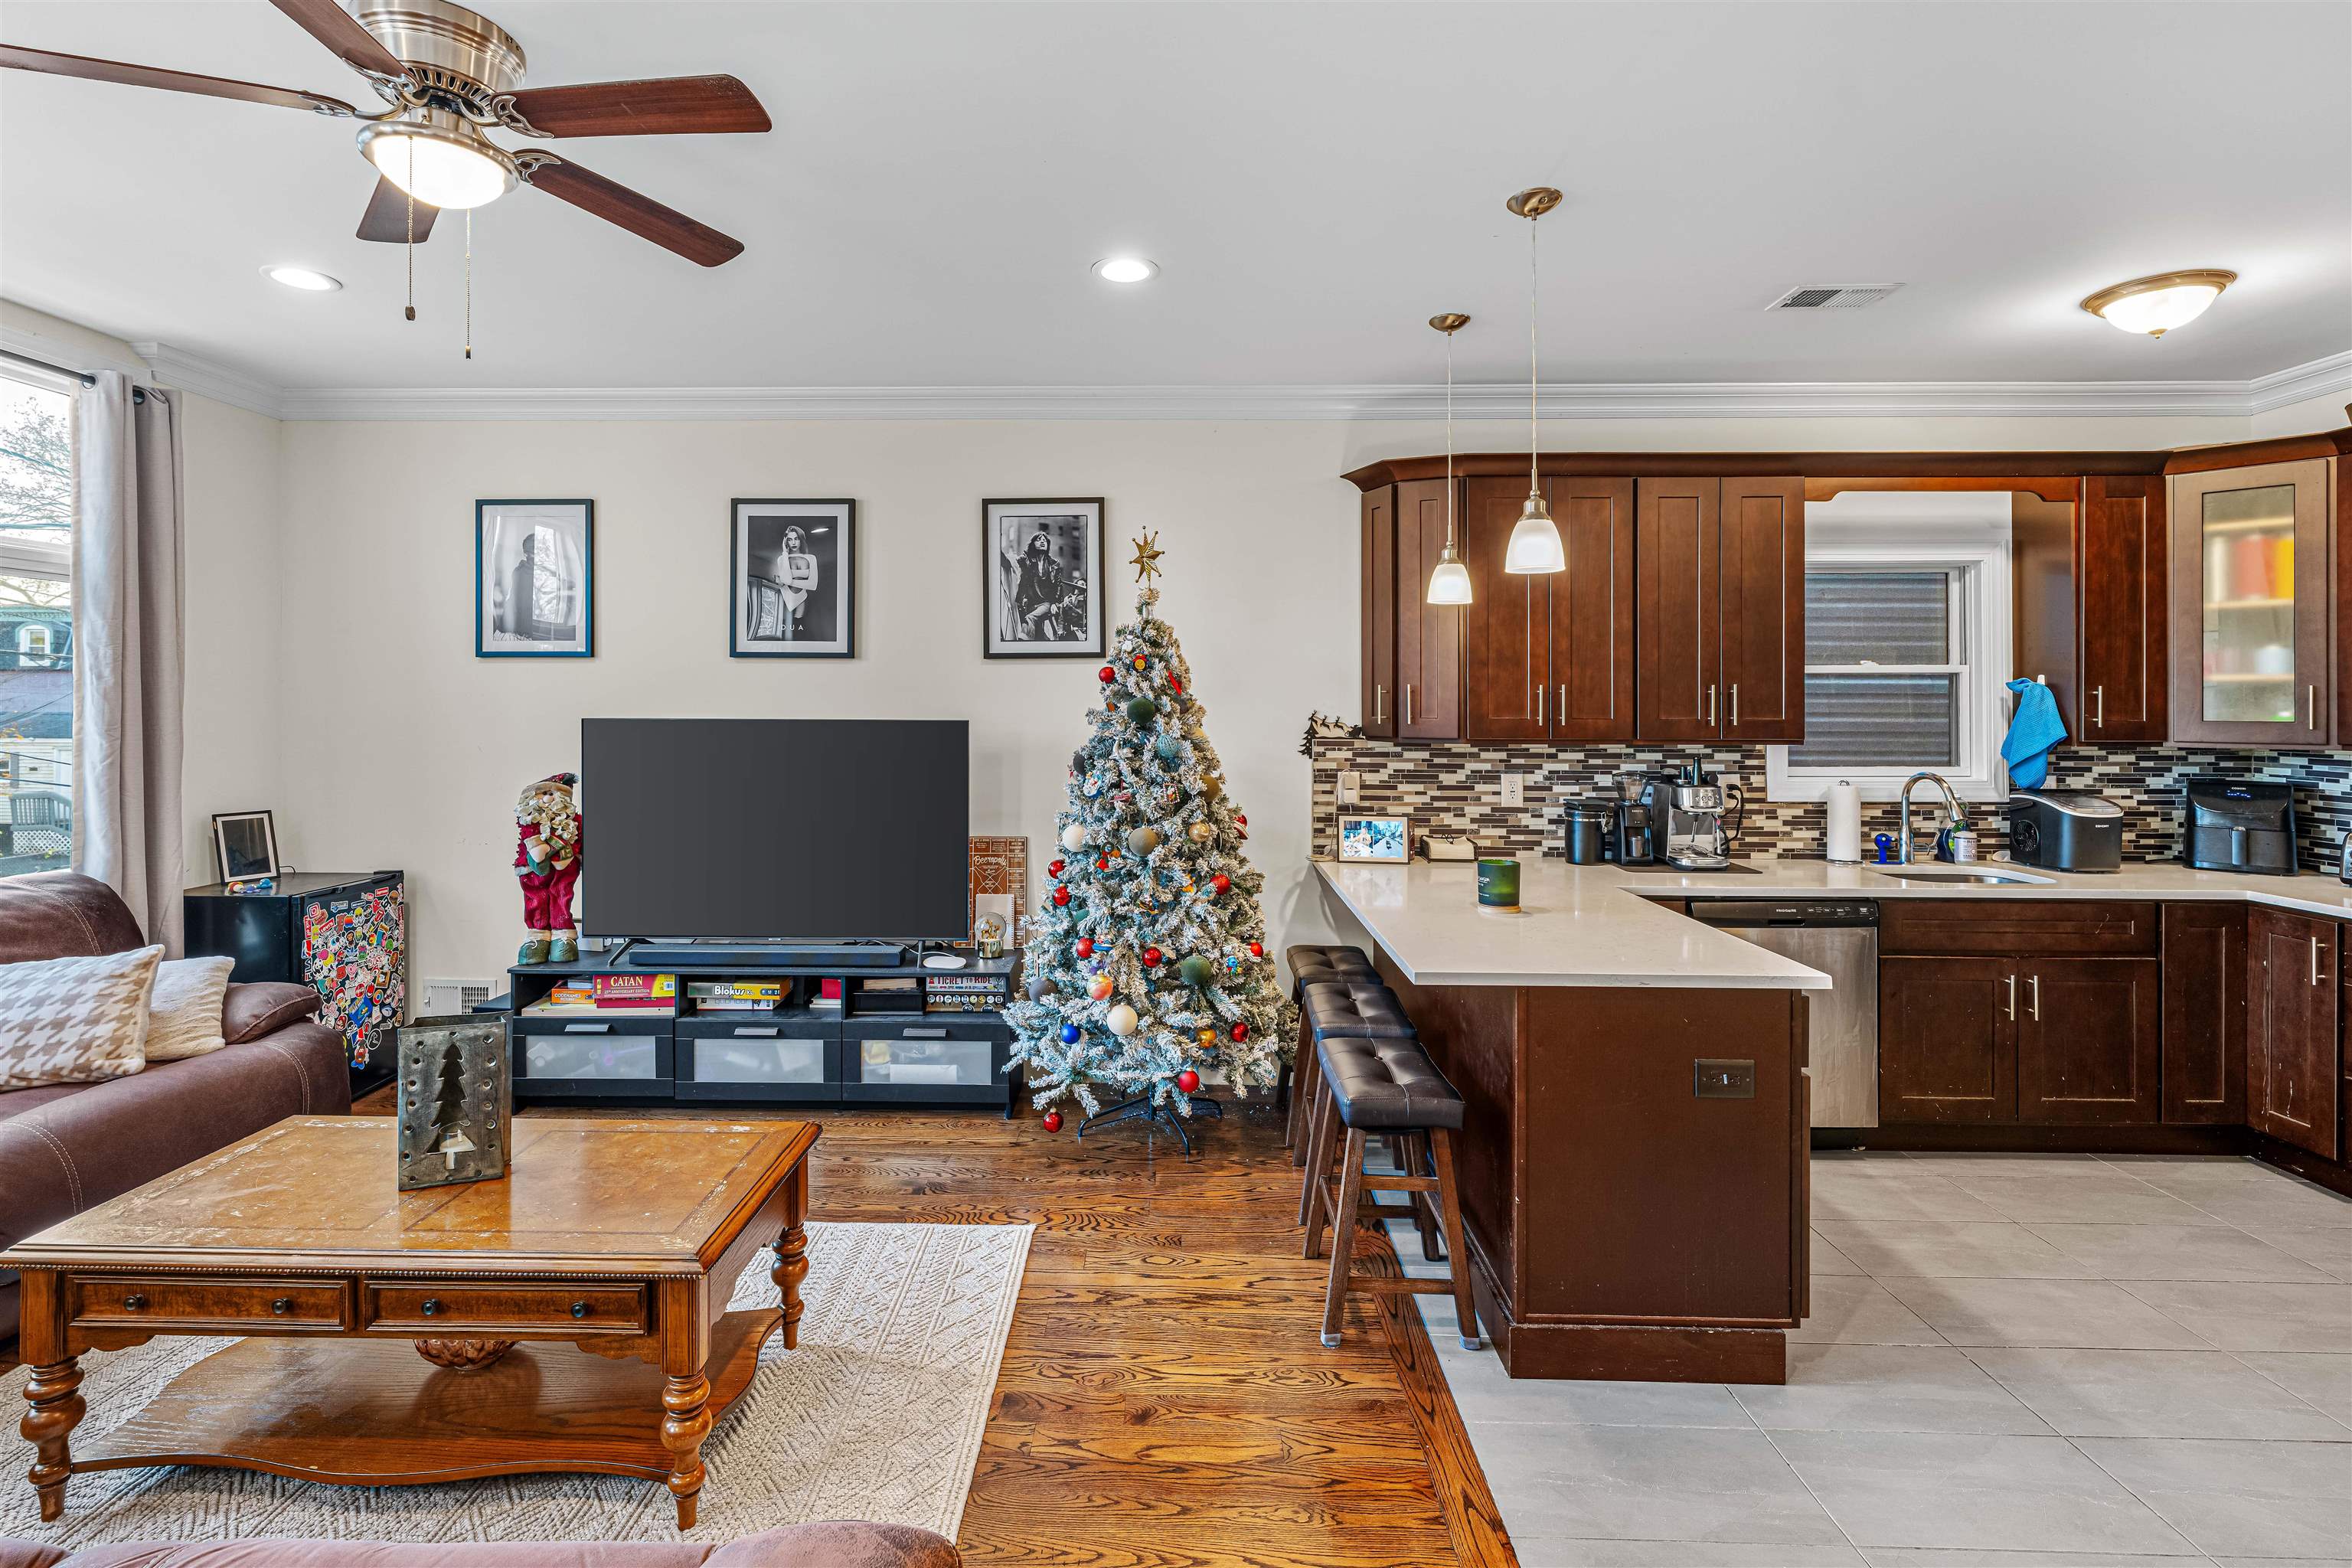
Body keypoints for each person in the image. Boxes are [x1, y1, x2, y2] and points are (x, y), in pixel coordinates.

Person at [1011, 528, 1083, 641]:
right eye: (1039, 540)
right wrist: (1020, 600)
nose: (1042, 541)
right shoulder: (1026, 561)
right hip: (1030, 603)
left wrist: (1055, 603)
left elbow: (1058, 585)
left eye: (1044, 540)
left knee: (1030, 618)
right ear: (1033, 544)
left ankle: (1023, 643)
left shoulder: (1053, 564)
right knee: (1039, 635)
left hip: (1047, 603)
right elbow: (1016, 568)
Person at [776, 524, 820, 639]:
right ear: (786, 542)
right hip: (785, 599)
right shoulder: (782, 559)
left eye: (796, 539)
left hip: (803, 600)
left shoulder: (811, 558)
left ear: (801, 539)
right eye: (790, 540)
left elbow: (813, 584)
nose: (793, 543)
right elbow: (785, 579)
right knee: (782, 632)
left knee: (801, 633)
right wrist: (785, 553)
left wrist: (787, 581)